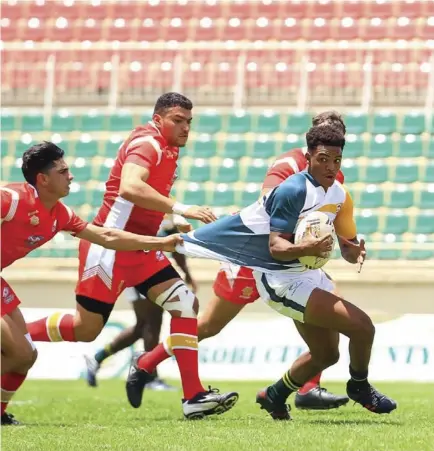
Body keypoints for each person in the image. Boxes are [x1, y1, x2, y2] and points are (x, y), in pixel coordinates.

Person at [134, 124, 398, 420]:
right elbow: (276, 247)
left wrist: (351, 251)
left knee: (327, 355)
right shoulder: (293, 188)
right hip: (279, 278)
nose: (330, 166)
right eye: (323, 159)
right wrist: (306, 249)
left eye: (336, 160)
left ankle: (274, 395)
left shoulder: (337, 192)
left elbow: (342, 244)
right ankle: (359, 387)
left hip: (306, 273)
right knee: (362, 326)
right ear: (308, 156)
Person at [27, 93, 239, 420]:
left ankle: (190, 394)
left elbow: (144, 198)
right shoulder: (149, 144)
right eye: (178, 120)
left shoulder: (166, 149)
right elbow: (129, 187)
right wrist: (180, 208)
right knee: (86, 330)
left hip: (139, 247)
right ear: (159, 119)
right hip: (109, 248)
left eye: (189, 122)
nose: (185, 128)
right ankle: (15, 335)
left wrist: (171, 219)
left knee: (184, 303)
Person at [0, 141, 183, 425]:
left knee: (24, 356)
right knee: (19, 352)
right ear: (43, 179)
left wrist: (161, 243)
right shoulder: (10, 199)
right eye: (63, 171)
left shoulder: (59, 214)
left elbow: (108, 237)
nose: (71, 176)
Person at [85, 215, 197, 391]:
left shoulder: (158, 212)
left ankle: (98, 358)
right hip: (139, 270)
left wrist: (187, 273)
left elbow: (175, 246)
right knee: (152, 322)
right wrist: (187, 273)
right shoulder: (145, 211)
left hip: (144, 268)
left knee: (142, 326)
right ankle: (150, 376)